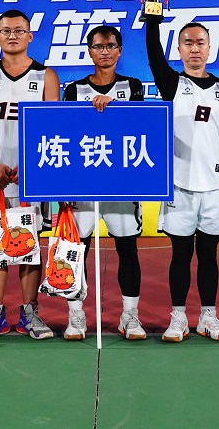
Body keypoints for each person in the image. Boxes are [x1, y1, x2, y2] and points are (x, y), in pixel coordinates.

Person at [144, 0, 219, 342]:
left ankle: (208, 317)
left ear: (210, 48)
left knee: (209, 255)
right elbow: (153, 54)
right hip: (179, 185)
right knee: (181, 255)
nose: (195, 48)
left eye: (200, 42)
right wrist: (153, 15)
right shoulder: (172, 83)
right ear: (180, 49)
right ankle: (179, 318)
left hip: (215, 186)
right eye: (188, 43)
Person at [0, 10, 60, 340]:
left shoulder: (46, 76)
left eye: (19, 31)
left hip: (31, 175)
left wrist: (33, 164)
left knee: (29, 241)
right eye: (6, 31)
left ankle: (30, 312)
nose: (12, 36)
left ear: (30, 36)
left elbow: (51, 125)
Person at [61, 25, 146, 340]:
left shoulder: (132, 86)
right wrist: (64, 186)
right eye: (98, 46)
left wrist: (114, 109)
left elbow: (141, 127)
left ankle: (130, 315)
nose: (105, 51)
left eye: (111, 46)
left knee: (128, 250)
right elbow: (64, 136)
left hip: (121, 185)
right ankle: (76, 315)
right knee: (76, 251)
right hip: (83, 185)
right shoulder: (74, 90)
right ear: (89, 51)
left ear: (120, 50)